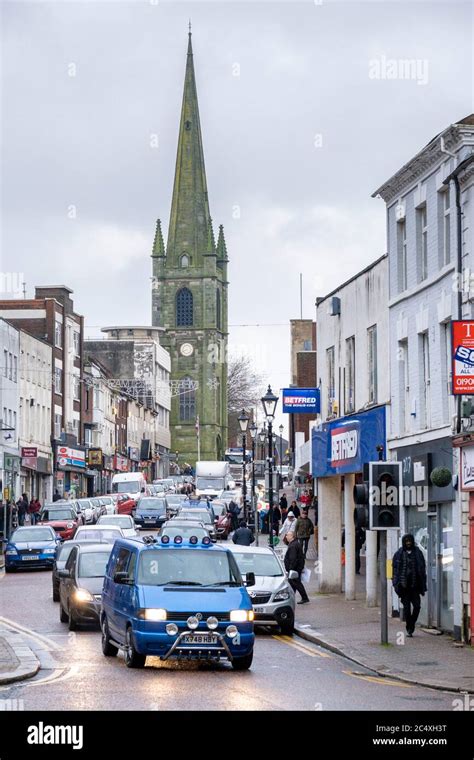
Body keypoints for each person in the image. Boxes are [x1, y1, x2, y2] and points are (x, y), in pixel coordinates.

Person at [392, 533, 427, 637]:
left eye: (409, 541)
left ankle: (412, 623)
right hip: (404, 587)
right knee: (406, 609)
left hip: (415, 586)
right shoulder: (399, 554)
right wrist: (396, 583)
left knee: (417, 606)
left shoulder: (418, 553)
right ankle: (409, 627)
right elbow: (394, 570)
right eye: (406, 541)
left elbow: (422, 568)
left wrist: (422, 584)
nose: (408, 543)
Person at [284, 532, 310, 604]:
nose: (286, 536)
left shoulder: (293, 546)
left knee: (296, 583)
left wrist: (291, 568)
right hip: (296, 567)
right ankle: (291, 598)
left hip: (294, 569)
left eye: (287, 535)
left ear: (292, 536)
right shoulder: (294, 544)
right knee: (293, 583)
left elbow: (293, 558)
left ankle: (304, 597)